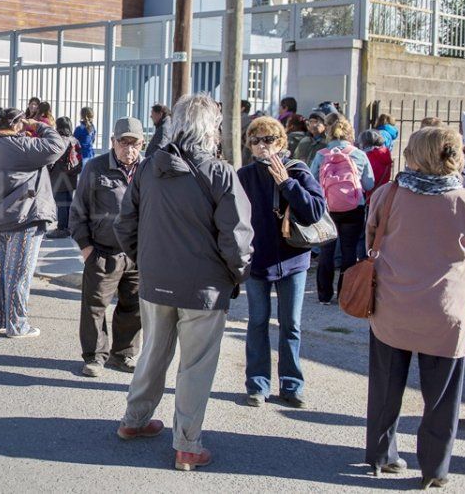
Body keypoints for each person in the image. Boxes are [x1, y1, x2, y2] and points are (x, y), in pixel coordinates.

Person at [115, 93, 253, 472]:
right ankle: (187, 444)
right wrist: (237, 274)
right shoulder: (220, 173)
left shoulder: (146, 169)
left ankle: (134, 419)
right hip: (203, 287)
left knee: (153, 350)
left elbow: (124, 225)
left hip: (156, 278)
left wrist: (145, 260)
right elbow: (237, 239)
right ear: (212, 129)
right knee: (195, 365)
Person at [364, 127, 465, 488]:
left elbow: (371, 238)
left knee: (385, 386)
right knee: (443, 396)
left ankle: (380, 455)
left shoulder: (388, 194)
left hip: (392, 303)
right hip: (446, 310)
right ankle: (434, 469)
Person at [237, 117, 326, 408]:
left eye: (269, 140)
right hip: (257, 260)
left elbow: (315, 210)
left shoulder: (297, 170)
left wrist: (286, 184)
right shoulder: (245, 176)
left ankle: (291, 385)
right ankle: (257, 384)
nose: (263, 146)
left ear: (281, 142)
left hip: (293, 259)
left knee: (291, 324)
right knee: (258, 322)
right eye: (256, 140)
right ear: (249, 145)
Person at [0, 108, 66, 338]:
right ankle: (17, 324)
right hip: (23, 217)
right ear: (17, 125)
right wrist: (38, 125)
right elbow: (57, 145)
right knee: (18, 273)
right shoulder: (22, 146)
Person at [72, 117, 145, 377]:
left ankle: (123, 354)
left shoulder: (148, 171)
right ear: (113, 141)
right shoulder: (95, 168)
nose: (129, 149)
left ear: (142, 143)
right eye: (123, 142)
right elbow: (78, 211)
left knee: (133, 307)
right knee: (94, 308)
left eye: (134, 143)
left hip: (137, 255)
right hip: (103, 252)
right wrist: (86, 248)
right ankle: (94, 357)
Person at [310, 115, 375, 304]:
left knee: (326, 252)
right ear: (350, 133)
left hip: (327, 207)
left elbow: (312, 179)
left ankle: (323, 295)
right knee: (348, 251)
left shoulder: (321, 154)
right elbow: (369, 183)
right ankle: (344, 294)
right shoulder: (359, 154)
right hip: (353, 207)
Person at [46, 117, 81, 239]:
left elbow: (51, 160)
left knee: (61, 204)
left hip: (58, 177)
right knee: (68, 202)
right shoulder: (75, 140)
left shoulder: (59, 140)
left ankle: (62, 228)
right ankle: (69, 227)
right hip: (71, 176)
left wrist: (47, 172)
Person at [359, 129, 393, 198]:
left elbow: (366, 182)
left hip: (369, 196)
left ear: (365, 143)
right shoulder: (386, 153)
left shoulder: (367, 156)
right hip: (382, 194)